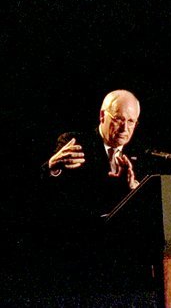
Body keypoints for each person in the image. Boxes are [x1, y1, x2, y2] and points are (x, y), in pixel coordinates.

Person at [40, 89, 156, 293]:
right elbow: (50, 194)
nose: (125, 128)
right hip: (81, 258)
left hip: (123, 264)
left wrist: (133, 189)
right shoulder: (75, 143)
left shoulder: (141, 155)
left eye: (131, 122)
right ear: (103, 116)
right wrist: (52, 167)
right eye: (119, 119)